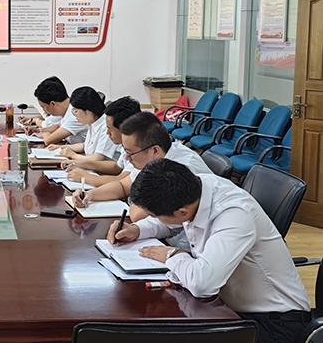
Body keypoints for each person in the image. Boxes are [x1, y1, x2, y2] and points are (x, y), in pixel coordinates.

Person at [107, 159, 310, 343]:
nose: (154, 219)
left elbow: (203, 284)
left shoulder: (234, 214)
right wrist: (137, 229)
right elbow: (171, 221)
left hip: (273, 323)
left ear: (182, 212)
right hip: (226, 306)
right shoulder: (196, 188)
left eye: (154, 215)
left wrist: (172, 255)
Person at [72, 111, 211, 207]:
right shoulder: (152, 156)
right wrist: (89, 195)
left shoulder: (181, 168)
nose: (126, 158)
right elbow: (123, 186)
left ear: (154, 150)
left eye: (130, 152)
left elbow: (139, 214)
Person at [62, 96, 141, 184]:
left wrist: (86, 177)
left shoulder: (139, 149)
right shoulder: (126, 146)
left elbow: (121, 181)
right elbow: (116, 167)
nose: (107, 133)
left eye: (109, 129)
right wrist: (79, 163)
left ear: (124, 128)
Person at [48, 86, 118, 167]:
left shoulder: (106, 126)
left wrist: (73, 155)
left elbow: (97, 159)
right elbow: (85, 145)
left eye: (76, 111)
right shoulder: (93, 122)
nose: (74, 115)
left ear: (88, 111)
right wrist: (61, 147)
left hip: (104, 171)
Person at [20, 76, 86, 145]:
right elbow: (58, 127)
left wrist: (44, 133)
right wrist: (38, 130)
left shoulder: (75, 114)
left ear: (52, 104)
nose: (44, 111)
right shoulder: (67, 109)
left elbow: (49, 140)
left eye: (43, 107)